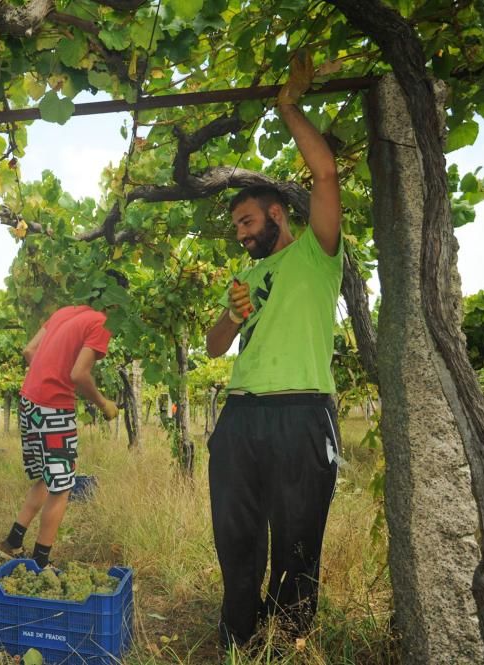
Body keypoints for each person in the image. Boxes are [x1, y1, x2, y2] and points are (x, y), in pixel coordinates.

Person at [203, 50, 343, 649]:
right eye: (237, 226)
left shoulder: (316, 252)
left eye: (245, 221)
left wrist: (288, 107)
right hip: (241, 414)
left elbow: (326, 176)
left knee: (296, 538)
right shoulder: (245, 275)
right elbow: (212, 348)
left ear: (277, 215)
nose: (240, 233)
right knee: (236, 534)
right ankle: (240, 635)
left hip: (302, 412)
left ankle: (287, 641)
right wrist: (233, 318)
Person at [0, 272, 126, 569]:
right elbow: (78, 374)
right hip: (54, 409)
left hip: (29, 401)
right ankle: (40, 563)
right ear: (115, 301)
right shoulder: (101, 323)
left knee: (46, 476)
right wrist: (103, 403)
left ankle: (12, 542)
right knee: (62, 486)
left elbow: (29, 350)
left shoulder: (65, 313)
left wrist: (47, 376)